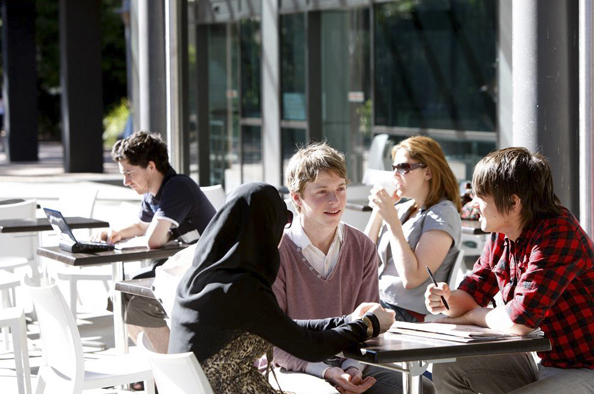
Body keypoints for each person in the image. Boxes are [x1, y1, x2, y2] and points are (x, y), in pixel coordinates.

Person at [169, 182, 396, 394]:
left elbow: (284, 327)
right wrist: (368, 325)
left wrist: (347, 320)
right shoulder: (242, 287)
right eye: (282, 220)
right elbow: (310, 348)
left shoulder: (203, 278)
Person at [425, 147, 594, 394]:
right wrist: (447, 299)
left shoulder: (559, 233)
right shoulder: (501, 234)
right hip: (544, 361)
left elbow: (519, 321)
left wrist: (473, 316)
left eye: (481, 197)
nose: (473, 204)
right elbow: (472, 293)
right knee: (450, 366)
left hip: (586, 368)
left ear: (513, 202)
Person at [272, 142, 434, 394]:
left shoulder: (362, 247)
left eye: (340, 188)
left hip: (349, 362)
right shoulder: (276, 251)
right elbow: (272, 342)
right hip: (291, 366)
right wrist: (327, 372)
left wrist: (352, 370)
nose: (334, 200)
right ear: (297, 198)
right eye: (322, 191)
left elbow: (369, 327)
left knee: (421, 388)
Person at [93, 130, 216, 354]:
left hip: (206, 271)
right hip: (180, 266)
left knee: (138, 300)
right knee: (118, 295)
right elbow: (142, 226)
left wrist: (160, 233)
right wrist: (117, 233)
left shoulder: (177, 187)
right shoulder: (151, 194)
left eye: (129, 173)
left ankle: (175, 372)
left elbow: (154, 240)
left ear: (151, 166)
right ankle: (154, 366)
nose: (125, 181)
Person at [365, 135, 462, 322]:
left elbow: (412, 278)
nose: (395, 175)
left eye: (403, 167)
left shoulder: (443, 213)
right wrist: (378, 212)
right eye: (394, 168)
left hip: (406, 312)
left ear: (428, 172)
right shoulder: (404, 208)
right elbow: (362, 259)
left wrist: (392, 222)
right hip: (379, 302)